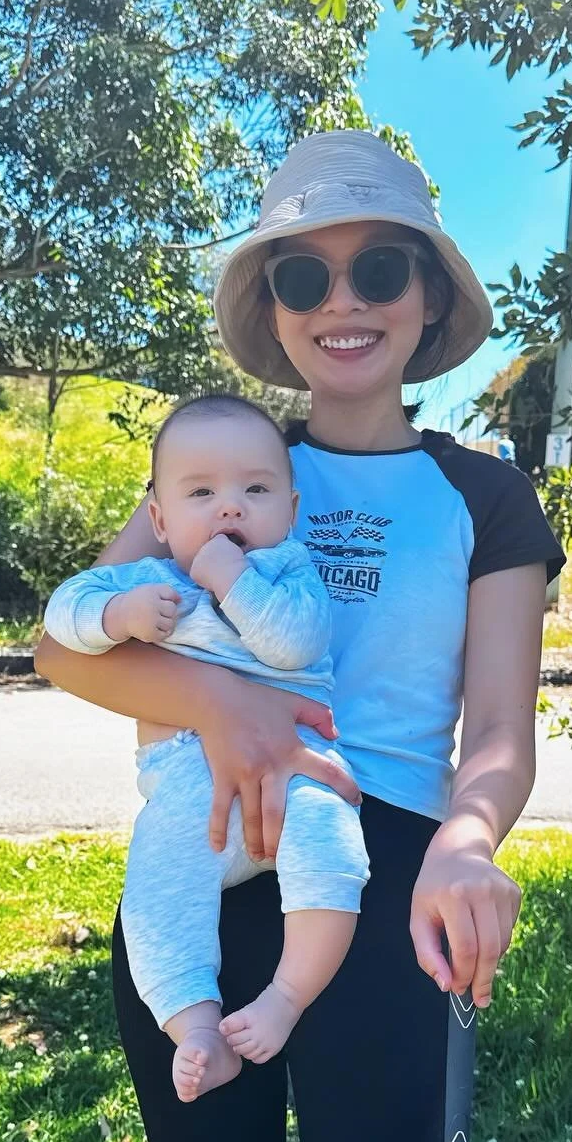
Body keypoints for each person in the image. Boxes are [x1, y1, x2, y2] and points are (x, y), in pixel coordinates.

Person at [35, 129, 566, 1142]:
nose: (347, 301)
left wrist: (469, 841)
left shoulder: (485, 495)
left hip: (380, 902)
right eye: (307, 272)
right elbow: (68, 644)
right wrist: (225, 707)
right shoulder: (220, 453)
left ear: (425, 296)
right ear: (271, 302)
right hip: (205, 885)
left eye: (379, 267)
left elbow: (496, 733)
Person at [41, 395, 369, 1102]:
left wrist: (232, 580)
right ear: (159, 520)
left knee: (334, 846)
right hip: (191, 794)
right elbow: (61, 616)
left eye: (255, 490)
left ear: (290, 507)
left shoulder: (290, 573)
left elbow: (294, 643)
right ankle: (195, 1030)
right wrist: (114, 614)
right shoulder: (148, 580)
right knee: (156, 892)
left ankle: (286, 998)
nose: (230, 510)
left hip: (294, 771)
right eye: (201, 494)